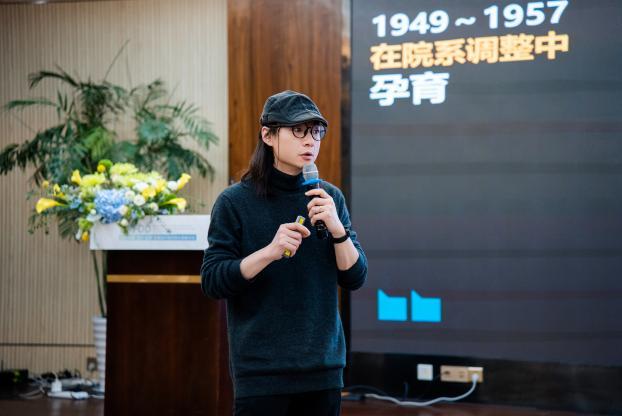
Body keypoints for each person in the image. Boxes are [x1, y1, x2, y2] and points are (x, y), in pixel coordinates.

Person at [200, 90, 367, 416]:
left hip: (323, 368)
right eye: (298, 131)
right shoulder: (235, 202)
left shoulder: (329, 197)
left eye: (316, 132)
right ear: (268, 135)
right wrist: (270, 252)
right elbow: (213, 281)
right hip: (262, 372)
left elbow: (355, 277)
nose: (310, 141)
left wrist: (338, 230)